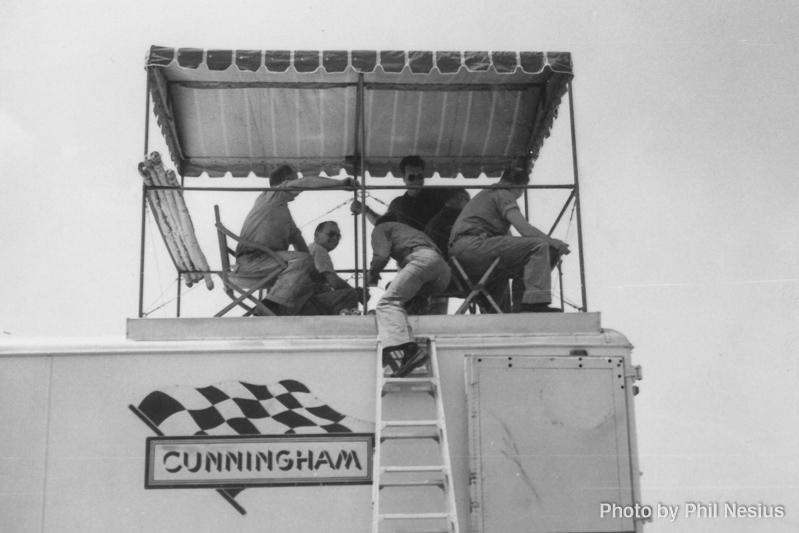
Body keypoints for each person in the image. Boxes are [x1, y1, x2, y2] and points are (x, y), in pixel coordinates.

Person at [235, 165, 358, 316]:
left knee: (306, 279)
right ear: (287, 180)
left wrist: (317, 278)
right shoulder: (274, 194)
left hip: (263, 263)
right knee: (302, 261)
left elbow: (298, 240)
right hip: (252, 262)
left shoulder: (281, 210)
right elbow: (306, 183)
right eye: (296, 178)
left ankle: (281, 309)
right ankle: (269, 306)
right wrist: (340, 184)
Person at [449, 166, 570, 313]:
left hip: (464, 254)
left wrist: (542, 262)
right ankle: (532, 304)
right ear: (519, 187)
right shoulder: (502, 193)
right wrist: (553, 242)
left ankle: (520, 309)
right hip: (473, 246)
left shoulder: (489, 198)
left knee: (525, 258)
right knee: (538, 246)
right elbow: (524, 229)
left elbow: (513, 245)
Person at [368, 217, 451, 377]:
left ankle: (408, 352)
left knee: (387, 303)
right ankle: (408, 347)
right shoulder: (409, 233)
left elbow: (381, 255)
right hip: (442, 272)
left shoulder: (381, 228)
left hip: (423, 260)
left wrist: (372, 274)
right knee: (405, 298)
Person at [351, 155, 447, 231]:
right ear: (404, 179)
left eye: (420, 176)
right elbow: (382, 224)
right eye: (411, 177)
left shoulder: (437, 196)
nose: (417, 181)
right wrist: (366, 210)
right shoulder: (398, 204)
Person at [305, 221, 360, 315]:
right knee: (349, 295)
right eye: (331, 234)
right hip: (308, 303)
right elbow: (334, 282)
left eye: (338, 236)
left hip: (303, 300)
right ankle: (337, 327)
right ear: (317, 235)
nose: (335, 238)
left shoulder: (310, 249)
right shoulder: (318, 249)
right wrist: (358, 293)